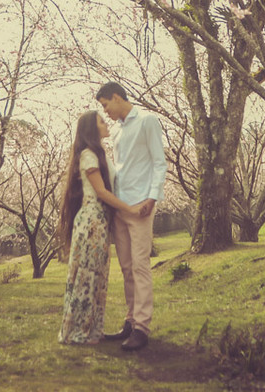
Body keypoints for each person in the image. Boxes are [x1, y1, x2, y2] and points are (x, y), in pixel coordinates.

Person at [58, 110, 139, 345]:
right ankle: (77, 331)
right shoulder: (88, 155)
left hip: (100, 221)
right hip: (91, 221)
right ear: (92, 129)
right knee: (86, 275)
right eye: (101, 121)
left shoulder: (100, 153)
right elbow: (102, 192)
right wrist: (129, 209)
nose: (106, 123)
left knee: (98, 276)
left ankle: (92, 330)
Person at [96, 81, 166, 352]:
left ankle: (142, 328)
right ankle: (130, 320)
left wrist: (152, 197)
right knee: (126, 267)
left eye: (105, 105)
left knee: (140, 266)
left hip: (141, 205)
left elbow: (159, 162)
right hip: (121, 208)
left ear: (116, 97)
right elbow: (119, 171)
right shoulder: (116, 133)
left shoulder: (148, 121)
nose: (106, 112)